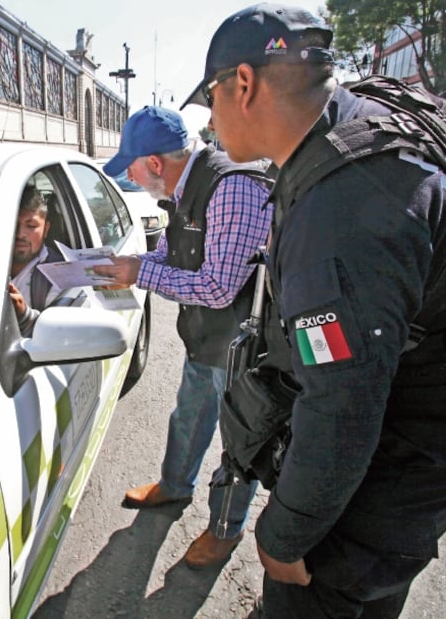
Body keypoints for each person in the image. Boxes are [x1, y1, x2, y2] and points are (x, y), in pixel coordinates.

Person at [183, 2, 446, 617]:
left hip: (428, 433)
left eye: (211, 98)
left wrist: (284, 534)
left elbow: (344, 404)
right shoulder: (365, 122)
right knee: (369, 585)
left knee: (316, 587)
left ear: (242, 84)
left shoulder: (344, 207)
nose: (210, 120)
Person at [92, 105, 273, 569]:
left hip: (242, 348)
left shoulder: (231, 187)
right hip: (204, 336)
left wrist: (139, 274)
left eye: (131, 169)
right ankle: (174, 487)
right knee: (189, 417)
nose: (131, 179)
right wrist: (130, 265)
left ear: (154, 163)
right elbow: (172, 255)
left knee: (241, 444)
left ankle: (225, 529)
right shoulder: (183, 189)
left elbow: (218, 287)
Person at [9, 185, 63, 336]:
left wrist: (24, 315)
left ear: (46, 229)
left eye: (31, 226)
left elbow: (57, 335)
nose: (20, 234)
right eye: (13, 224)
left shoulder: (59, 276)